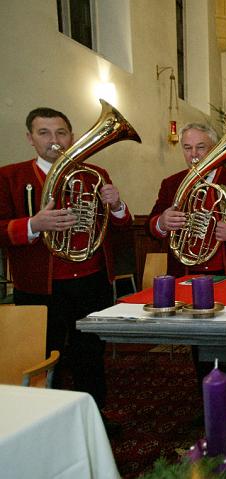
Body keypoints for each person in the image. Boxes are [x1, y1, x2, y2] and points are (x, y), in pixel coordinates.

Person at [0, 107, 132, 434]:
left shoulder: (94, 172)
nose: (54, 140)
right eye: (44, 133)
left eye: (61, 132)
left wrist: (116, 205)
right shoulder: (9, 177)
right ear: (30, 139)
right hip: (40, 287)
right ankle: (46, 423)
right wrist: (33, 224)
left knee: (90, 356)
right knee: (44, 356)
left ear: (72, 137)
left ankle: (93, 419)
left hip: (91, 281)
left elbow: (122, 227)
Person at [148, 122, 226, 424]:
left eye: (200, 147)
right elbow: (153, 228)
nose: (193, 155)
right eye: (187, 148)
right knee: (200, 348)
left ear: (214, 148)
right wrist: (163, 221)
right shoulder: (171, 182)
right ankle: (210, 412)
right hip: (189, 276)